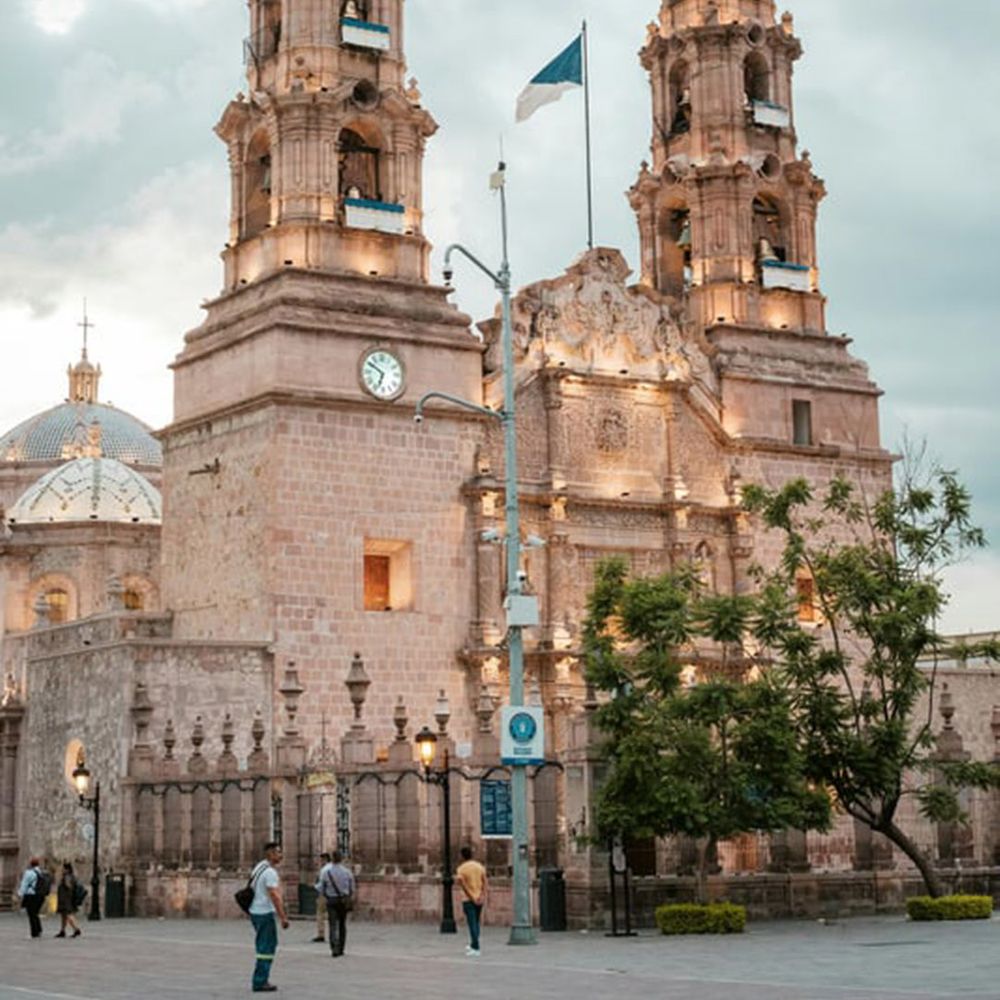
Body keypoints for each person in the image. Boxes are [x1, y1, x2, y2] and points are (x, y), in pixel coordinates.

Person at [247, 842, 289, 993]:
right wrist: (283, 917)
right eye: (278, 852)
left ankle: (261, 978)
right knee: (266, 947)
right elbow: (274, 896)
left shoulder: (259, 867)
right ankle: (260, 981)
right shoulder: (270, 872)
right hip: (264, 913)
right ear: (270, 854)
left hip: (255, 911)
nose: (280, 855)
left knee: (263, 945)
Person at [317, 850, 355, 957]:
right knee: (342, 924)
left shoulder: (326, 872)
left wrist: (327, 895)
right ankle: (341, 947)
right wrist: (348, 896)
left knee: (332, 924)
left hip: (331, 900)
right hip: (343, 900)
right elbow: (352, 888)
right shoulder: (347, 872)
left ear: (332, 859)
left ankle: (334, 947)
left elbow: (322, 888)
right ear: (342, 858)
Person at [455, 845, 487, 957]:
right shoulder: (479, 866)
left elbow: (463, 886)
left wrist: (472, 898)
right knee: (476, 922)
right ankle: (474, 944)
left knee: (472, 923)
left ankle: (476, 948)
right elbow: (485, 882)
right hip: (479, 898)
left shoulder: (461, 869)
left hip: (468, 899)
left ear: (462, 856)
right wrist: (482, 895)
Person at [18, 857, 47, 939]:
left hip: (31, 895)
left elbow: (24, 884)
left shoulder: (28, 873)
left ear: (31, 864)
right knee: (35, 913)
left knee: (31, 914)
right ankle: (39, 930)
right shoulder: (41, 872)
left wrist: (20, 894)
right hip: (40, 895)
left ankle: (34, 932)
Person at [55, 862, 82, 938]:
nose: (62, 870)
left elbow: (68, 885)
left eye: (63, 868)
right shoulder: (70, 876)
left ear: (67, 869)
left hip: (65, 898)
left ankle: (76, 929)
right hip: (65, 898)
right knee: (63, 915)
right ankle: (62, 930)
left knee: (68, 914)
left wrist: (63, 882)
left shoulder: (67, 876)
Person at [311, 852, 331, 942]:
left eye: (321, 860)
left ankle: (321, 934)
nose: (320, 862)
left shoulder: (324, 870)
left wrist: (314, 887)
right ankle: (335, 933)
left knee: (320, 914)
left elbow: (321, 884)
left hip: (324, 894)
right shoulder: (335, 868)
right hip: (335, 895)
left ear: (325, 859)